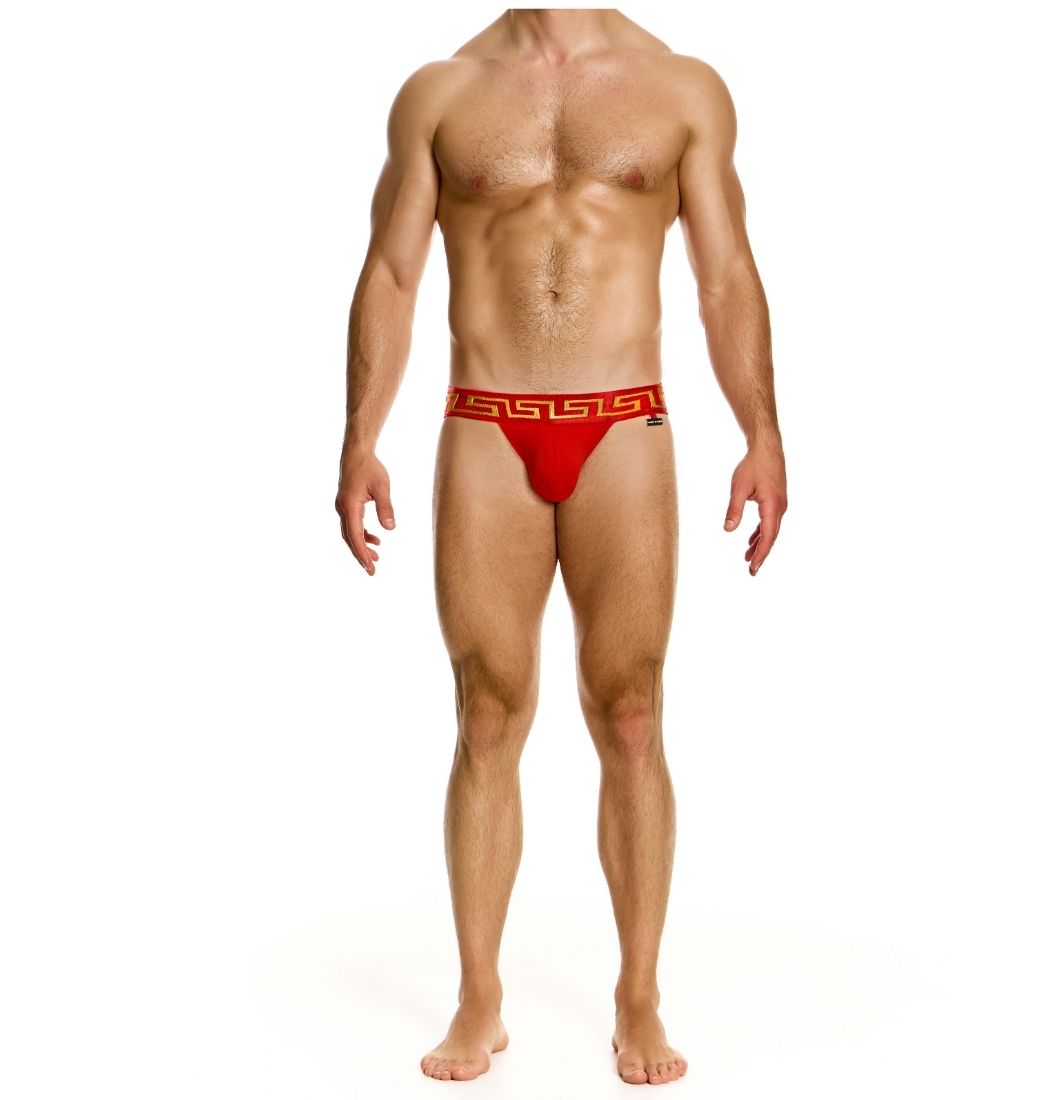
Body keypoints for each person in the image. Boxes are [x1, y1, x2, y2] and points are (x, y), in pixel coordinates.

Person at [334, 8, 787, 1086]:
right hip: (485, 420)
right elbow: (391, 274)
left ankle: (639, 994)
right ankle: (478, 997)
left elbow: (725, 275)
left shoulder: (681, 87)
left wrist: (761, 431)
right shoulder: (440, 92)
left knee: (630, 712)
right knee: (486, 711)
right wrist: (359, 436)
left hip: (623, 419)